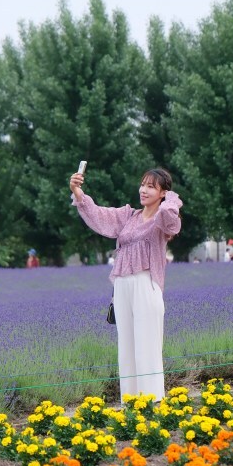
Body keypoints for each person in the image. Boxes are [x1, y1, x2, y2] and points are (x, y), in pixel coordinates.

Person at [70, 166, 182, 402]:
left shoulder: (162, 218)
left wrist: (170, 198)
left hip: (146, 283)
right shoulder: (128, 216)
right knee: (127, 347)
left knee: (148, 346)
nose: (143, 190)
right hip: (122, 286)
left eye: (151, 186)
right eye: (143, 184)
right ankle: (131, 404)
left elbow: (172, 222)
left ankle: (152, 403)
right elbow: (99, 215)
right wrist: (78, 192)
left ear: (162, 192)